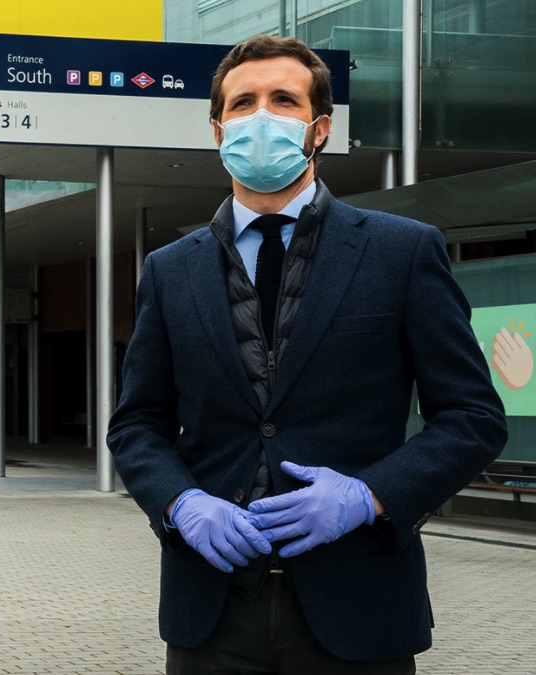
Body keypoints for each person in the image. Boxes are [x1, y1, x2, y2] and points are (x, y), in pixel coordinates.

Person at [107, 35, 507, 674]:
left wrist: (369, 494)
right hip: (210, 612)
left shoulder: (401, 252)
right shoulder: (168, 271)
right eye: (242, 103)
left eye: (283, 100)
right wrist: (180, 503)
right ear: (217, 130)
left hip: (359, 608)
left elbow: (473, 418)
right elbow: (136, 426)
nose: (260, 116)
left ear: (319, 128)